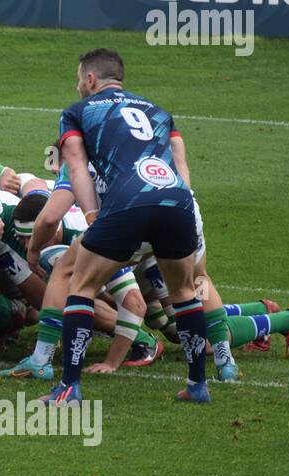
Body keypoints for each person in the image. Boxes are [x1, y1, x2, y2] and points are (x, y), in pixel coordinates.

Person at [43, 48, 213, 405]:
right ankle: (198, 384)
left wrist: (92, 219)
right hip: (177, 198)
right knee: (183, 293)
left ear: (90, 79)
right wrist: (185, 204)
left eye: (79, 79)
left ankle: (69, 387)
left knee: (82, 285)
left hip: (129, 200)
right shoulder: (158, 111)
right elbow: (180, 167)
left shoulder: (77, 112)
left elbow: (77, 169)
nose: (77, 86)